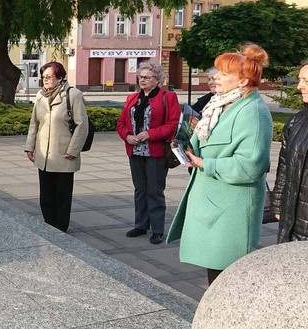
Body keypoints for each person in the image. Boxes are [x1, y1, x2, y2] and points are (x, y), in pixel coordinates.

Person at [167, 44, 273, 286]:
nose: (215, 77)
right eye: (216, 71)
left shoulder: (252, 111)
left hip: (230, 211)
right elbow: (207, 140)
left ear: (243, 81)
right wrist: (186, 146)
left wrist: (205, 163)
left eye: (224, 73)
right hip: (214, 205)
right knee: (215, 274)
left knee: (227, 279)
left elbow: (250, 167)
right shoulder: (221, 104)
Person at [116, 62, 179, 245]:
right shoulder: (132, 98)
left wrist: (150, 134)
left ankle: (157, 229)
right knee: (140, 190)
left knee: (155, 191)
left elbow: (172, 125)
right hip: (135, 151)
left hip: (155, 152)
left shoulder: (168, 97)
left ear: (157, 79)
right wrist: (127, 136)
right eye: (140, 77)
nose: (142, 80)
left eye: (146, 77)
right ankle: (141, 224)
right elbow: (121, 123)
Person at [24, 61, 89, 232]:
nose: (45, 80)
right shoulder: (40, 96)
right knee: (46, 194)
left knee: (62, 194)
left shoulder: (73, 95)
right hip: (44, 154)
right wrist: (30, 147)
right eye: (43, 77)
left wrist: (73, 150)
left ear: (60, 78)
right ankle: (48, 223)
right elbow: (34, 124)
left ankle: (60, 227)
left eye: (49, 77)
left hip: (64, 153)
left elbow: (82, 125)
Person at [273, 60, 308, 242]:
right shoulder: (296, 122)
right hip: (294, 221)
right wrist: (279, 203)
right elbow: (285, 166)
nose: (299, 86)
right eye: (300, 80)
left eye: (306, 81)